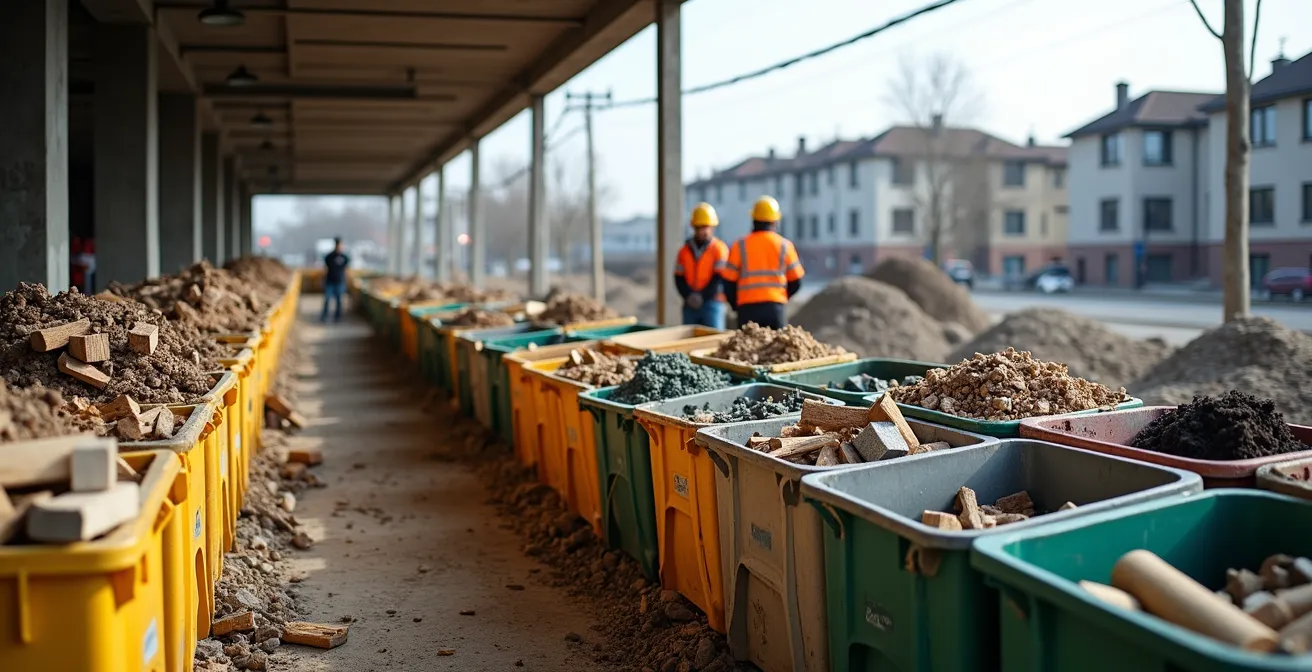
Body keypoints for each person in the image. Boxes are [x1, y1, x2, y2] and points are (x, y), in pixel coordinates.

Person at [719, 196, 804, 329]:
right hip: (775, 308)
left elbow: (728, 282)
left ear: (753, 220)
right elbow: (797, 281)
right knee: (777, 348)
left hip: (747, 308)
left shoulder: (740, 245)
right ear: (775, 221)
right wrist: (780, 298)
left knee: (747, 348)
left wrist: (736, 305)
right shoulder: (784, 245)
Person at [674, 203, 730, 329]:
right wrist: (689, 296)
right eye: (700, 227)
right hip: (690, 304)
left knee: (714, 342)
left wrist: (702, 297)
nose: (703, 231)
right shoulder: (684, 252)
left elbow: (719, 278)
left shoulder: (719, 249)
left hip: (713, 302)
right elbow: (678, 278)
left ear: (712, 227)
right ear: (694, 227)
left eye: (706, 227)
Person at [321, 238, 350, 322]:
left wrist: (347, 280)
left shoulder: (344, 257)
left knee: (339, 301)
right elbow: (325, 269)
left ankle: (337, 318)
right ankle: (324, 317)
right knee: (327, 299)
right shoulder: (329, 257)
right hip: (330, 281)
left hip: (340, 281)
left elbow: (347, 270)